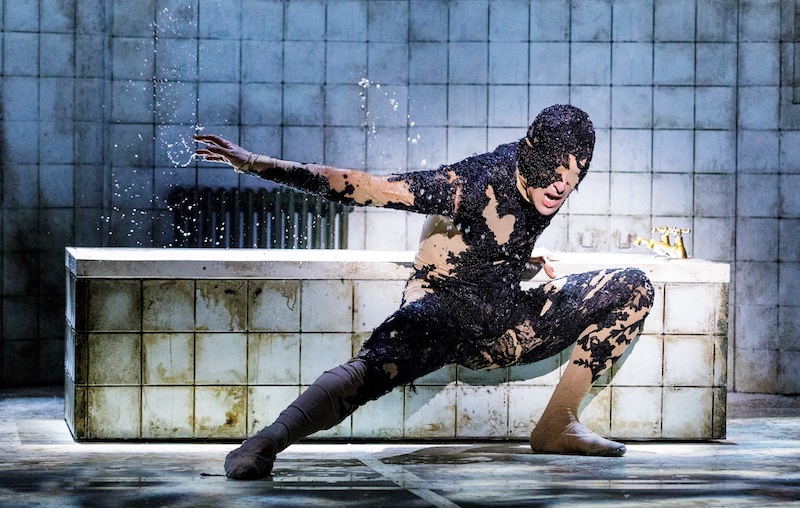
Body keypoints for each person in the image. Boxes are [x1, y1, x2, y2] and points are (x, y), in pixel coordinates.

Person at [194, 104, 654, 480]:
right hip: (442, 315)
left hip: (505, 324)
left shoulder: (540, 185)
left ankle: (558, 423)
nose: (561, 186)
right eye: (555, 172)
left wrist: (519, 255)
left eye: (574, 177)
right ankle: (266, 441)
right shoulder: (474, 183)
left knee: (633, 288)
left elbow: (500, 232)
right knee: (367, 370)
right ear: (532, 154)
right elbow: (363, 187)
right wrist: (256, 163)